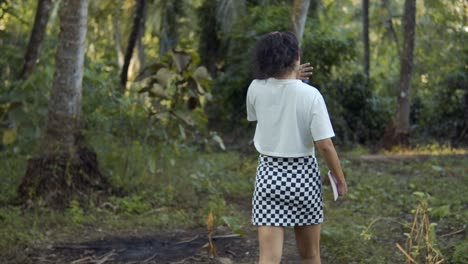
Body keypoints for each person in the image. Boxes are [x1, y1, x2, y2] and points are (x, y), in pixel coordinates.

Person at [246, 31, 348, 264]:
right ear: (296, 58)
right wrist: (339, 179)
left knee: (268, 259)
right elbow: (325, 146)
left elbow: (259, 112)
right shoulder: (311, 95)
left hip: (269, 177)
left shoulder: (254, 88)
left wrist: (288, 78)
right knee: (310, 255)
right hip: (303, 178)